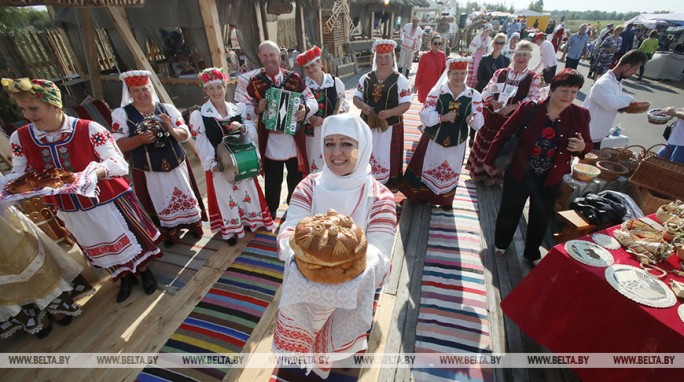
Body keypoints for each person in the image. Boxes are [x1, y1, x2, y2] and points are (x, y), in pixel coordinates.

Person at [3, 78, 161, 303]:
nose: (28, 115)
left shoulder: (89, 129)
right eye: (23, 109)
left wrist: (91, 175)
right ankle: (123, 276)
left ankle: (144, 272)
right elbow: (19, 171)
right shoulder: (21, 137)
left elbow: (119, 164)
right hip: (69, 206)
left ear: (54, 105)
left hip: (105, 200)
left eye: (34, 108)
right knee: (95, 242)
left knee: (125, 237)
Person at [272, 114, 396, 378]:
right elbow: (290, 229)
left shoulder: (380, 196)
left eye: (346, 144)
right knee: (295, 367)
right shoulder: (309, 185)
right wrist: (300, 253)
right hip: (304, 294)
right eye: (329, 143)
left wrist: (342, 273)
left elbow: (379, 251)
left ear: (363, 147)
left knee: (341, 358)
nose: (336, 152)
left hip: (352, 297)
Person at [483, 69, 592, 265]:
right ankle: (501, 243)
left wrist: (583, 147)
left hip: (550, 177)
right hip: (519, 172)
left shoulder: (580, 115)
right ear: (551, 90)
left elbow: (587, 144)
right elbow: (504, 133)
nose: (569, 97)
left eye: (574, 92)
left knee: (540, 217)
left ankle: (532, 251)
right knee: (510, 210)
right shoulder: (529, 108)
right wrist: (490, 160)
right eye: (564, 91)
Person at [112, 70, 206, 247]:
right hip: (149, 170)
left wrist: (171, 129)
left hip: (176, 165)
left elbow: (185, 135)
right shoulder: (122, 114)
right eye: (136, 90)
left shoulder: (167, 109)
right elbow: (117, 144)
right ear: (129, 93)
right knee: (159, 199)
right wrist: (139, 139)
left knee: (185, 195)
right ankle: (170, 234)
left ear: (151, 88)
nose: (142, 94)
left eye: (145, 89)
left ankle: (193, 226)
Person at [189, 68, 274, 246]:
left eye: (219, 87)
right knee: (226, 197)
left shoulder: (238, 109)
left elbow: (251, 132)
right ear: (205, 91)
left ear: (225, 87)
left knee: (246, 192)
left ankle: (250, 221)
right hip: (220, 164)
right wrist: (211, 162)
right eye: (211, 88)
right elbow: (201, 141)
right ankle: (232, 230)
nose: (216, 92)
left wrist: (242, 127)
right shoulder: (200, 115)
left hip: (242, 160)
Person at [0, 191, 92, 339]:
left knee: (28, 261)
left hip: (5, 222)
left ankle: (54, 305)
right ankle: (32, 315)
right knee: (5, 281)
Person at [245, 40, 318, 219]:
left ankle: (293, 209)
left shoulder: (293, 78)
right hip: (270, 142)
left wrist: (304, 110)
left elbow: (312, 100)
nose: (269, 59)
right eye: (265, 56)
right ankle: (270, 211)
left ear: (279, 56)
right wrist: (256, 109)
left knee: (295, 178)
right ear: (260, 58)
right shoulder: (255, 83)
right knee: (272, 181)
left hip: (293, 141)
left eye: (272, 55)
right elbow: (244, 109)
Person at [399, 58, 484, 209]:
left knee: (451, 168)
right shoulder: (438, 92)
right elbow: (425, 115)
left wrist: (473, 118)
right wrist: (442, 117)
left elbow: (479, 123)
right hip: (434, 138)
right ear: (449, 74)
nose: (459, 77)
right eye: (456, 73)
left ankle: (444, 200)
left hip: (457, 141)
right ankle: (423, 195)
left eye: (463, 73)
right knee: (428, 166)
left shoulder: (473, 95)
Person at [466, 40, 542, 186]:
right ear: (513, 56)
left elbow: (533, 98)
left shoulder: (534, 77)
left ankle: (493, 178)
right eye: (519, 55)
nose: (521, 58)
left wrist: (513, 107)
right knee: (485, 144)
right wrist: (492, 101)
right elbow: (486, 91)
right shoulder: (500, 72)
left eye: (525, 55)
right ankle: (479, 173)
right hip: (492, 116)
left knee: (503, 147)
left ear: (530, 58)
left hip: (513, 119)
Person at [353, 39, 411, 191]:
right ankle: (365, 184)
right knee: (367, 153)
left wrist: (389, 113)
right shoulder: (365, 78)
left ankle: (387, 187)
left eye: (387, 57)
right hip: (367, 125)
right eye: (380, 57)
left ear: (393, 58)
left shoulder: (400, 80)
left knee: (388, 155)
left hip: (390, 127)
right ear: (375, 58)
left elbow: (406, 104)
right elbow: (356, 98)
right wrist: (363, 106)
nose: (383, 60)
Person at [296, 46, 349, 173]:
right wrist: (310, 118)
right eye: (307, 68)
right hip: (313, 134)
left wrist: (342, 109)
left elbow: (345, 102)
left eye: (313, 65)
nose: (310, 69)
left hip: (334, 130)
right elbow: (297, 111)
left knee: (334, 159)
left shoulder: (335, 82)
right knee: (315, 163)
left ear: (321, 64)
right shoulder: (302, 86)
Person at [583, 50, 648, 149]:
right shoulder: (604, 83)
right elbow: (610, 104)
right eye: (635, 69)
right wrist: (629, 98)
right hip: (588, 134)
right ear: (626, 66)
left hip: (597, 135)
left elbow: (613, 104)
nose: (635, 73)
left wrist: (624, 107)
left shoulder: (616, 82)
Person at [414, 35, 447, 103]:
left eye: (439, 43)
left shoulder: (442, 55)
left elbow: (444, 71)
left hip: (437, 85)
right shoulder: (424, 56)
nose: (437, 45)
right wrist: (416, 85)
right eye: (435, 43)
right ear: (431, 44)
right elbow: (419, 71)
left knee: (436, 104)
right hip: (425, 85)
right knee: (425, 104)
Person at [467, 23, 493, 89]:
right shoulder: (477, 37)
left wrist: (487, 49)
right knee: (473, 72)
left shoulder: (489, 39)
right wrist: (478, 49)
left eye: (489, 31)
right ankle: (471, 87)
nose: (488, 32)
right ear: (484, 30)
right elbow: (470, 47)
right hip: (476, 57)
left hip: (484, 58)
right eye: (487, 30)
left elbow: (490, 49)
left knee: (481, 71)